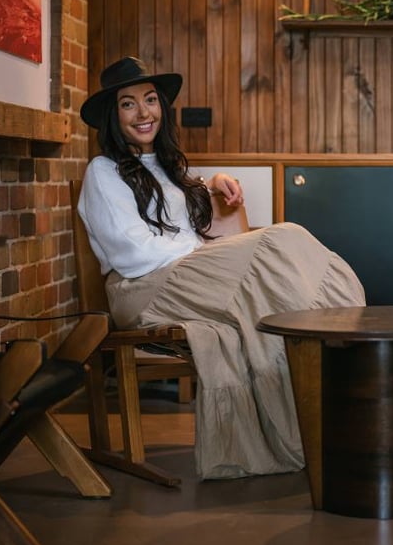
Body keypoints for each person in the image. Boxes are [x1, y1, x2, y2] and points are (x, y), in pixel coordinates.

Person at [77, 56, 365, 480]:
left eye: (151, 100)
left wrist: (214, 182)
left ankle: (321, 400)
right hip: (143, 289)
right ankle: (343, 341)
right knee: (284, 237)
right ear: (111, 115)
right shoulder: (102, 172)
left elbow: (187, 215)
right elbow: (131, 252)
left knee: (266, 311)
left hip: (181, 276)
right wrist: (200, 254)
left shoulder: (171, 168)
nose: (143, 113)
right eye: (128, 104)